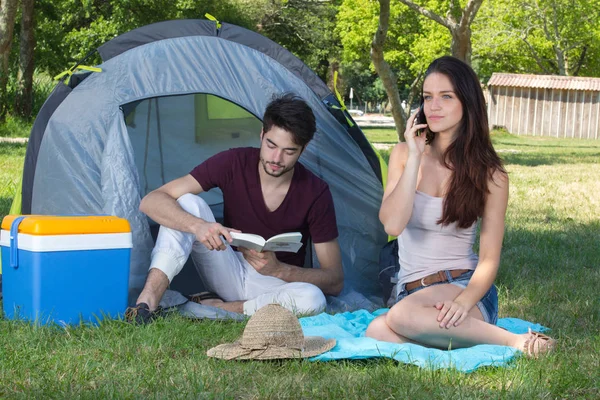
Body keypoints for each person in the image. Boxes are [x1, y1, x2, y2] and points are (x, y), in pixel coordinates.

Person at [365, 56, 556, 357]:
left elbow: (490, 259)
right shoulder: (403, 154)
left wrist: (464, 302)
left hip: (464, 287)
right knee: (377, 329)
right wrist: (415, 158)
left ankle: (517, 342)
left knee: (399, 318)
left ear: (467, 102)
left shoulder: (491, 174)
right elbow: (392, 225)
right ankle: (455, 340)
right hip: (411, 293)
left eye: (446, 97)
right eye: (428, 97)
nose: (433, 106)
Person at [128, 94, 343, 322]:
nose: (276, 158)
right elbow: (151, 200)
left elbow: (335, 280)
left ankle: (223, 308)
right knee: (187, 203)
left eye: (289, 151)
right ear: (261, 135)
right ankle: (146, 304)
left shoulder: (315, 192)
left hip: (274, 285)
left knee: (313, 299)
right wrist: (199, 226)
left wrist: (279, 269)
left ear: (303, 149)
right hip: (229, 267)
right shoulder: (234, 162)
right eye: (271, 145)